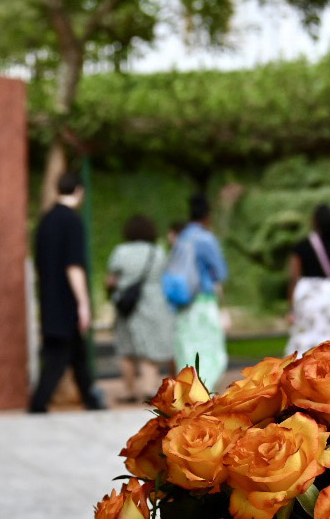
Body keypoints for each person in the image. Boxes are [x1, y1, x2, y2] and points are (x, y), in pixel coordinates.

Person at [29, 171, 104, 413]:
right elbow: (74, 265)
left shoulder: (46, 220)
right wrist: (83, 303)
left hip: (49, 299)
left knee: (76, 354)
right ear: (79, 191)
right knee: (58, 356)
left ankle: (91, 402)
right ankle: (38, 405)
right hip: (66, 302)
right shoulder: (72, 221)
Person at [106, 214, 175, 402]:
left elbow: (111, 280)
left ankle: (129, 391)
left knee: (126, 349)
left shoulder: (120, 251)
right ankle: (149, 388)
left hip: (127, 306)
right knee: (149, 349)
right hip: (154, 304)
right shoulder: (158, 252)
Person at [171, 194, 228, 391]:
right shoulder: (206, 239)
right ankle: (204, 396)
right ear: (207, 216)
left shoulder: (182, 238)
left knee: (187, 352)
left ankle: (189, 396)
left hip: (182, 304)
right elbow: (221, 272)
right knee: (211, 353)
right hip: (202, 301)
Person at [285, 204, 330, 356]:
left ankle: (298, 371)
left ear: (315, 222)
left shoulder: (301, 246)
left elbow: (293, 278)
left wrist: (290, 308)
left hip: (307, 296)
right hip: (329, 296)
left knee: (303, 337)